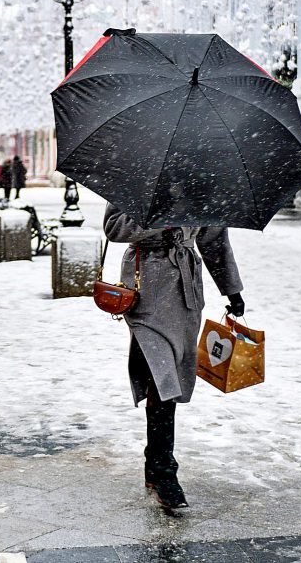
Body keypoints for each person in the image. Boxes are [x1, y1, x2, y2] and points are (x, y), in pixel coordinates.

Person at [103, 205, 244, 510]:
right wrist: (162, 220)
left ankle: (155, 464)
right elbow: (115, 228)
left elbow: (214, 240)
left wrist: (232, 290)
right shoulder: (136, 171)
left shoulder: (203, 180)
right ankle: (165, 470)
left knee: (172, 381)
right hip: (145, 290)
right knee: (161, 377)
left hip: (185, 291)